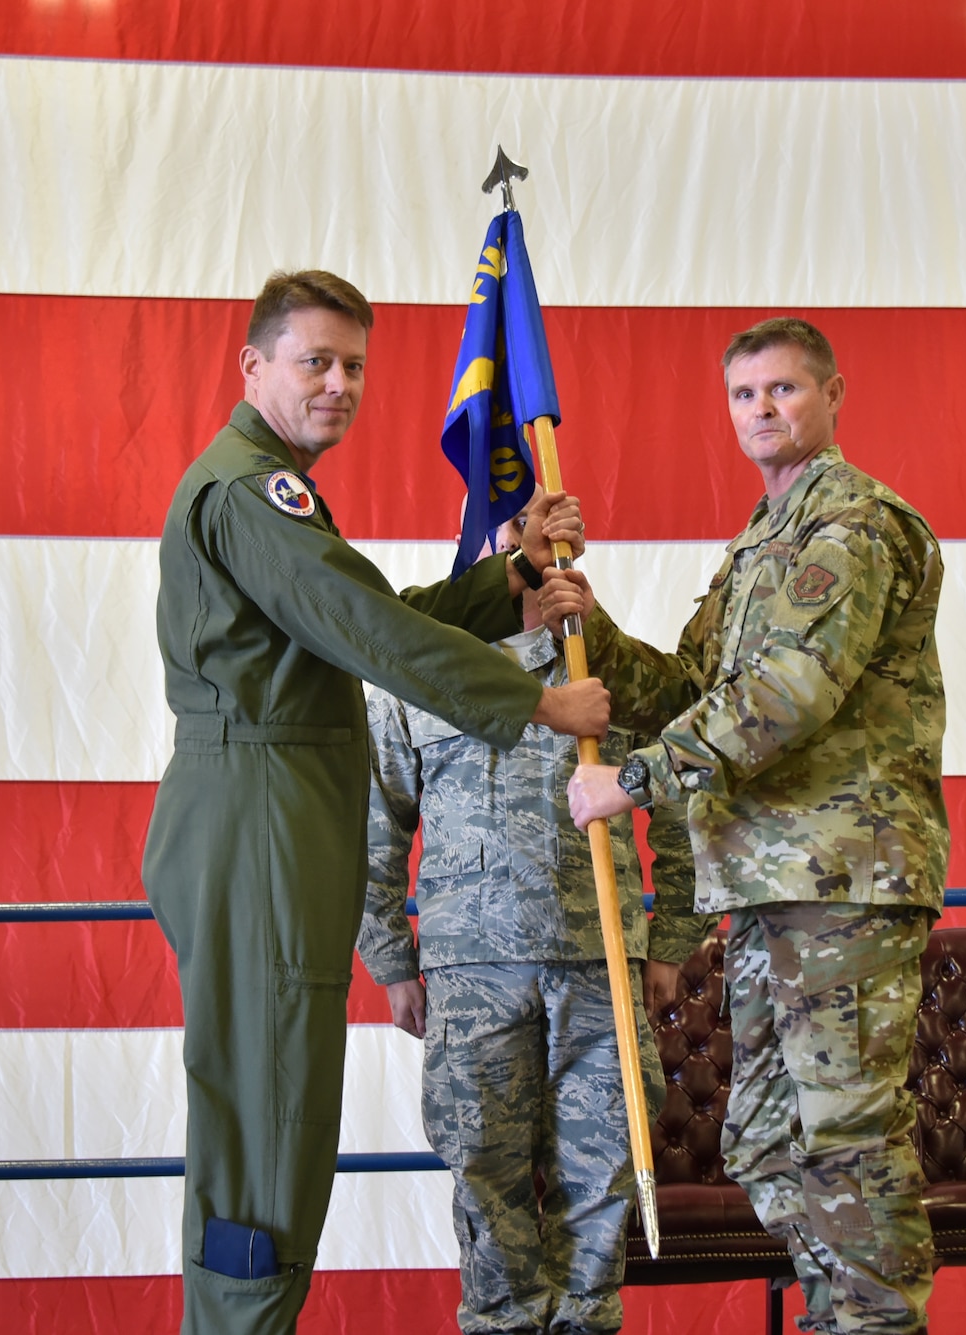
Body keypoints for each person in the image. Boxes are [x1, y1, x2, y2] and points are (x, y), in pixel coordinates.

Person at [141, 268, 610, 1335]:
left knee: (272, 1106)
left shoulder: (266, 491)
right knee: (268, 1114)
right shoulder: (248, 491)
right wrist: (535, 704)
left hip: (267, 811)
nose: (340, 383)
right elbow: (367, 633)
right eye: (315, 361)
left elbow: (356, 610)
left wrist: (503, 581)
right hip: (257, 815)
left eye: (354, 365)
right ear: (253, 366)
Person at [553, 317, 947, 1334]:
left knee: (847, 1140)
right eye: (743, 395)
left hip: (839, 880)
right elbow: (691, 688)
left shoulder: (850, 527)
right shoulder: (754, 549)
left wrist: (633, 781)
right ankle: (840, 1321)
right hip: (766, 884)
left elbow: (788, 693)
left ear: (831, 393)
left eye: (782, 389)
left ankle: (875, 1324)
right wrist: (582, 624)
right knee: (768, 1143)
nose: (762, 410)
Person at [357, 509, 712, 1335]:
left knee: (604, 1169)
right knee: (484, 1168)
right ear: (484, 541)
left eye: (542, 520)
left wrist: (670, 940)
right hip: (471, 971)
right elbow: (374, 823)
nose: (533, 541)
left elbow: (688, 796)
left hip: (600, 966)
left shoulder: (607, 665)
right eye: (509, 523)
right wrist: (392, 960)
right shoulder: (422, 669)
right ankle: (503, 1321)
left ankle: (586, 1322)